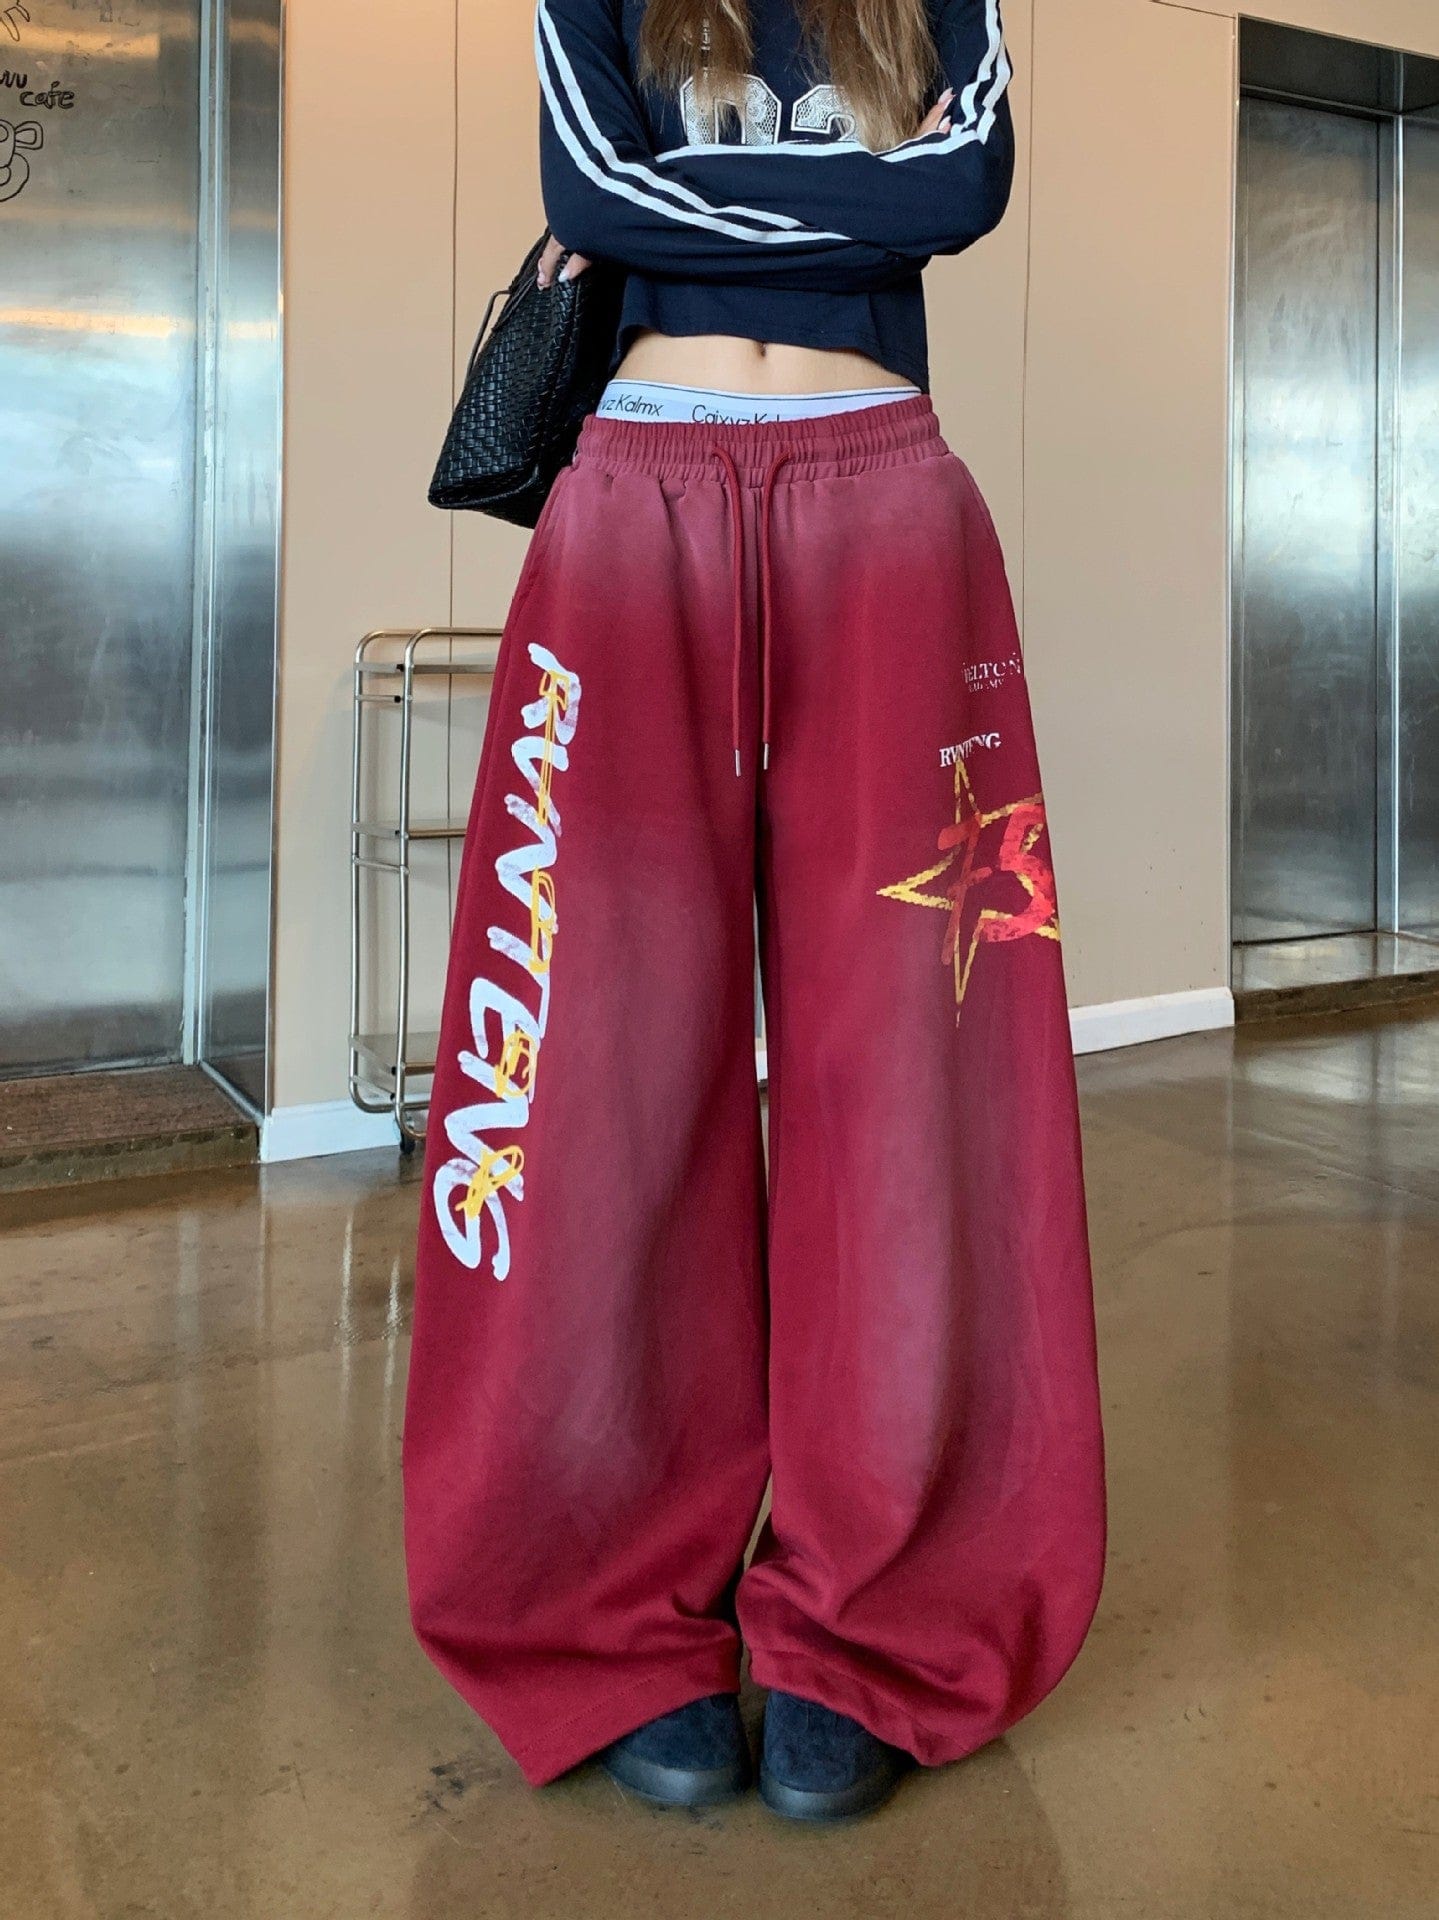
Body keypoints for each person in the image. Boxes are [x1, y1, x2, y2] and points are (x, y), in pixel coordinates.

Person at [403, 0, 1105, 1825]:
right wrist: (857, 210)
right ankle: (604, 1610)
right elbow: (590, 189)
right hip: (633, 507)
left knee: (918, 1086)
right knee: (596, 1084)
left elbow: (968, 186)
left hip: (889, 511)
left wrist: (697, 210)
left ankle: (875, 1619)